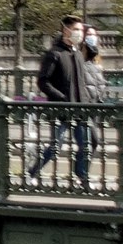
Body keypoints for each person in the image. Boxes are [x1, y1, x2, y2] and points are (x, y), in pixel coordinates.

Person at [24, 15, 93, 187]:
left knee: (85, 145)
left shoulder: (77, 54)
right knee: (56, 145)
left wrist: (86, 101)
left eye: (81, 31)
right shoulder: (54, 54)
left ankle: (82, 177)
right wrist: (60, 97)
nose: (80, 34)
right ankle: (32, 172)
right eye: (76, 30)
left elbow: (81, 81)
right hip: (60, 108)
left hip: (79, 108)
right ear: (66, 30)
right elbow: (43, 81)